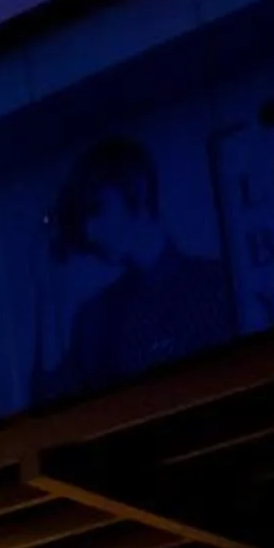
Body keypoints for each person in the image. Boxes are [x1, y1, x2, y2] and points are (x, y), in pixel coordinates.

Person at [36, 136, 236, 402]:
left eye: (97, 210)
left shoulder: (216, 284)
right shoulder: (96, 315)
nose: (89, 232)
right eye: (84, 218)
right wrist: (45, 284)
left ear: (138, 192)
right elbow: (55, 401)